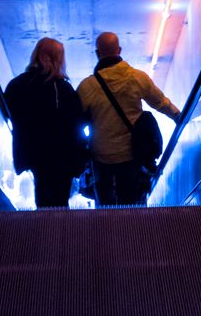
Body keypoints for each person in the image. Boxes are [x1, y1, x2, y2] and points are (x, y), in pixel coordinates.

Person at [76, 32, 183, 206]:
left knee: (104, 204)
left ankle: (104, 230)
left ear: (97, 53)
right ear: (119, 50)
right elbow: (160, 102)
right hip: (132, 155)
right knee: (131, 203)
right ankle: (133, 230)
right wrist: (179, 117)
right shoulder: (136, 77)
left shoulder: (88, 86)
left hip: (101, 157)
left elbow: (77, 122)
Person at [4, 37, 88, 208]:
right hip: (61, 157)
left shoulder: (18, 85)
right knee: (59, 203)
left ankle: (44, 231)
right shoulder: (63, 89)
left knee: (41, 198)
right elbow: (76, 126)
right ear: (59, 59)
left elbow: (8, 114)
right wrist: (79, 161)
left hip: (33, 154)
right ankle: (58, 232)